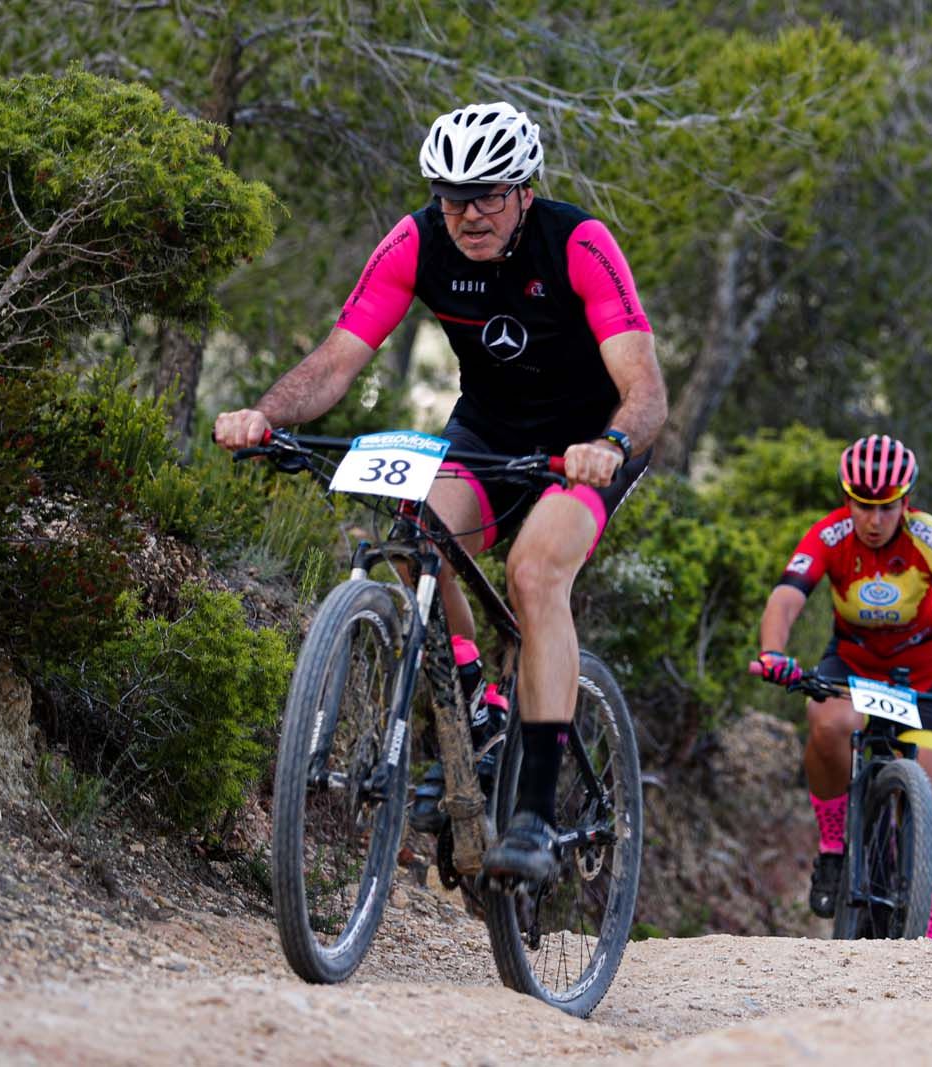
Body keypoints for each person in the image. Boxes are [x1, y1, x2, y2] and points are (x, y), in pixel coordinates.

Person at [214, 101, 666, 885]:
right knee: (416, 528)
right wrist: (265, 414)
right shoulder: (418, 240)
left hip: (588, 442)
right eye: (452, 195)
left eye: (489, 193)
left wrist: (611, 446)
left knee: (534, 574)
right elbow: (334, 360)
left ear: (526, 189)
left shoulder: (579, 242)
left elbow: (647, 388)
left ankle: (530, 812)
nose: (468, 214)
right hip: (490, 433)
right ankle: (474, 701)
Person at [753, 434, 932, 940]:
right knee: (828, 723)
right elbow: (786, 598)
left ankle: (929, 935)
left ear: (905, 502)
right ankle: (833, 847)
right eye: (862, 506)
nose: (873, 520)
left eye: (887, 507)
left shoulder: (929, 537)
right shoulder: (830, 536)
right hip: (852, 665)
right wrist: (774, 654)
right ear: (847, 499)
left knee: (928, 789)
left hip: (925, 675)